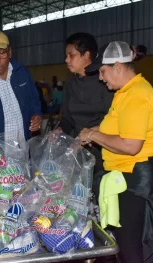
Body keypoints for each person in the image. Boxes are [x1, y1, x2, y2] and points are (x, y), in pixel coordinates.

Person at [79, 41, 153, 263]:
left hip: (138, 181)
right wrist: (91, 131)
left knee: (131, 251)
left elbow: (131, 145)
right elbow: (117, 129)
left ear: (118, 66)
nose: (101, 78)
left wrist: (94, 136)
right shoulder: (125, 93)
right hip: (127, 178)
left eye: (103, 71)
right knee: (120, 245)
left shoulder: (137, 95)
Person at [59, 32, 114, 190]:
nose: (66, 60)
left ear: (86, 55)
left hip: (103, 149)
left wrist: (94, 134)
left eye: (71, 55)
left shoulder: (104, 82)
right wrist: (58, 131)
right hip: (78, 149)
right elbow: (68, 119)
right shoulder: (70, 84)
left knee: (101, 191)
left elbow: (113, 119)